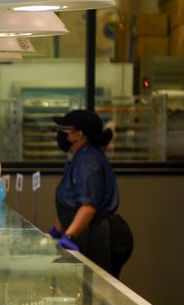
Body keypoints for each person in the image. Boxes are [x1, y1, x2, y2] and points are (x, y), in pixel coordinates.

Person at [49, 109, 133, 278]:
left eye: (65, 131)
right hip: (86, 231)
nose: (59, 135)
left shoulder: (88, 161)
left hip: (100, 236)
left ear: (78, 135)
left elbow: (88, 206)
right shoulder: (78, 158)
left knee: (98, 290)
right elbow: (70, 201)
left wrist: (69, 237)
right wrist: (55, 231)